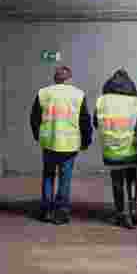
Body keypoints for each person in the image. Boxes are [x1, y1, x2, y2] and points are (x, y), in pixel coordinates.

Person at [30, 65, 93, 224]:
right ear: (69, 79)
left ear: (55, 79)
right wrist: (86, 140)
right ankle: (61, 211)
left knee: (48, 176)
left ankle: (46, 210)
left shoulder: (43, 93)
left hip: (49, 142)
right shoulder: (78, 94)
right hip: (69, 144)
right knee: (65, 177)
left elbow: (34, 117)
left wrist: (38, 135)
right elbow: (85, 120)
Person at [94, 68, 137, 229]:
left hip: (112, 148)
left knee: (117, 181)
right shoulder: (136, 100)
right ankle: (133, 211)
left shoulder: (102, 101)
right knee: (132, 179)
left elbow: (95, 122)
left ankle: (120, 213)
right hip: (131, 148)